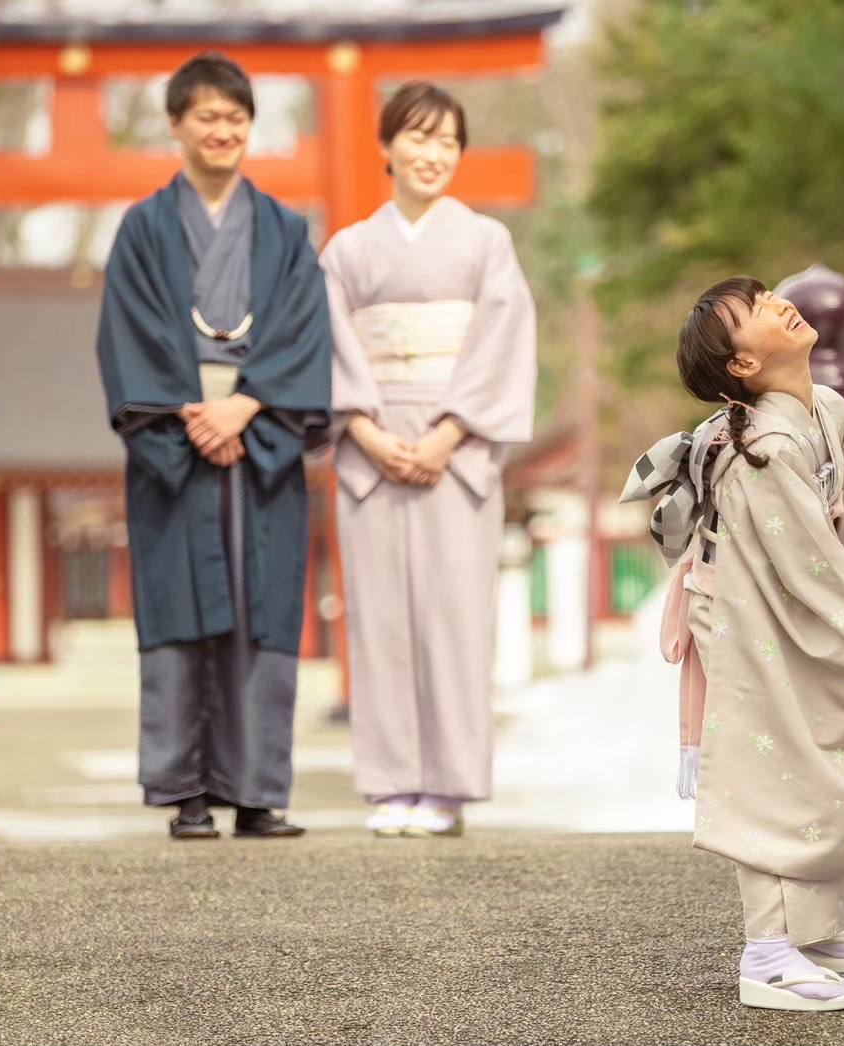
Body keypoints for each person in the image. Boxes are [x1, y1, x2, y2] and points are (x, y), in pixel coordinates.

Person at [621, 277, 844, 1012]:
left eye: (766, 294)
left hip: (796, 610)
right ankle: (766, 952)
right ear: (741, 367)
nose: (778, 304)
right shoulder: (757, 445)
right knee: (774, 768)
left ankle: (811, 929)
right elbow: (801, 553)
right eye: (754, 312)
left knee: (831, 753)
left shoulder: (824, 410)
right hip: (749, 618)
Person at [95, 52, 332, 840]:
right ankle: (187, 792)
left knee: (263, 610)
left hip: (258, 434)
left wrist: (247, 407)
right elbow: (127, 333)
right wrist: (195, 413)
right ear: (175, 124)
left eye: (236, 117)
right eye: (207, 116)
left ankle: (258, 791)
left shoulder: (286, 231)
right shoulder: (141, 228)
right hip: (176, 438)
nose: (223, 130)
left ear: (249, 127)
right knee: (180, 606)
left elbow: (304, 328)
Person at [320, 82, 536, 839]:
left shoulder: (485, 244)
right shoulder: (346, 251)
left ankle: (446, 784)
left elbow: (503, 340)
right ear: (385, 147)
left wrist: (449, 432)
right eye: (418, 138)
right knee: (379, 618)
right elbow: (331, 349)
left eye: (448, 141)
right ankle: (390, 783)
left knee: (454, 614)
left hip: (459, 445)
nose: (433, 154)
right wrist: (365, 430)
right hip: (372, 444)